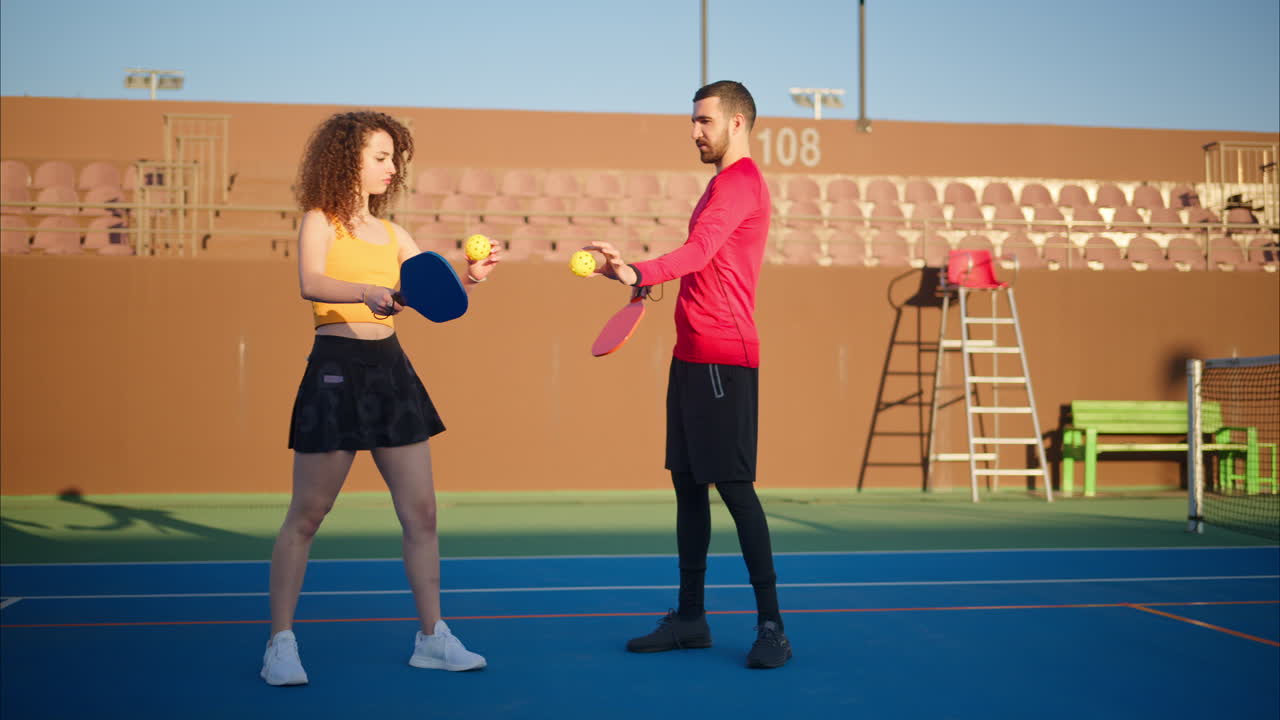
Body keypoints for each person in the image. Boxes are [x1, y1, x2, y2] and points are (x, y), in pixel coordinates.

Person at [261, 111, 500, 686]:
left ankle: (431, 638)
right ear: (348, 160)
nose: (392, 168)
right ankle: (281, 644)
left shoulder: (395, 236)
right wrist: (367, 291)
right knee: (308, 515)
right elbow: (310, 282)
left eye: (394, 157)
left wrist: (470, 276)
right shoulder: (320, 220)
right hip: (336, 371)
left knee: (422, 513)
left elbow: (423, 291)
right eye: (380, 157)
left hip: (392, 372)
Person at [585, 81, 791, 669]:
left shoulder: (740, 183)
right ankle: (692, 618)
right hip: (691, 354)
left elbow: (698, 253)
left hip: (726, 355)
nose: (695, 131)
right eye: (693, 121)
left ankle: (773, 626)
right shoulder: (717, 185)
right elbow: (703, 265)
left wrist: (636, 271)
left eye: (704, 121)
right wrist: (636, 278)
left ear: (737, 125)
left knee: (735, 489)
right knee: (687, 484)